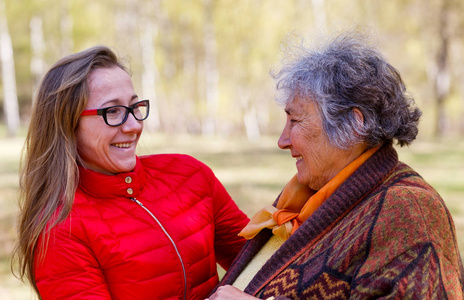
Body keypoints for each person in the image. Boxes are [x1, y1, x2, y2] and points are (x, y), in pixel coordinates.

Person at [208, 30, 464, 299]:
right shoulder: (306, 196)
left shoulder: (410, 212)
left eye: (295, 121)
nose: (282, 141)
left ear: (354, 125)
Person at [12, 46, 249, 300]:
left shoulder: (190, 174)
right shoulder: (62, 230)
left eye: (135, 107)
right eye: (112, 111)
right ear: (68, 124)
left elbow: (263, 261)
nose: (134, 126)